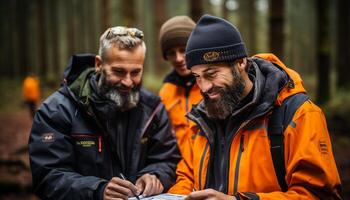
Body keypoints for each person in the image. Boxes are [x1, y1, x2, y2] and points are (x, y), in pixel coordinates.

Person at [168, 15, 342, 199]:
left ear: (240, 62)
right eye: (197, 76)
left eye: (211, 74)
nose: (204, 87)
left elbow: (320, 194)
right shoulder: (201, 118)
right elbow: (186, 178)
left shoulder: (298, 115)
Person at [28, 26, 181, 200]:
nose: (128, 82)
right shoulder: (57, 110)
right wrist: (97, 191)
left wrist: (156, 175)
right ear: (99, 64)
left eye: (136, 72)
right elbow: (47, 177)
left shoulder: (153, 108)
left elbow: (167, 159)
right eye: (119, 71)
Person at [158, 16, 202, 155]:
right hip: (179, 172)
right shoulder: (165, 93)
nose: (178, 58)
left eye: (183, 50)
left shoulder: (213, 86)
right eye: (171, 53)